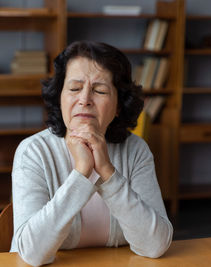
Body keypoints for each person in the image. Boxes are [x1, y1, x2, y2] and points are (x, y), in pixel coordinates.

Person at [9, 41, 173, 266]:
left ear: (118, 106)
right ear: (60, 97)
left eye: (100, 90)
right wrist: (81, 173)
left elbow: (155, 245)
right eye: (74, 88)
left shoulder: (135, 151)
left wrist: (107, 172)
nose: (84, 99)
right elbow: (32, 253)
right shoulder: (33, 152)